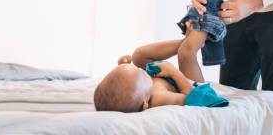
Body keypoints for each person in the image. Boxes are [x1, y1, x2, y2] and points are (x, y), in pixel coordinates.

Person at [93, 22, 228, 112]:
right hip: (191, 85)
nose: (140, 69)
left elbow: (124, 82)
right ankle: (202, 30)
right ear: (145, 103)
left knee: (138, 55)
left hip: (166, 79)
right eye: (139, 73)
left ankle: (184, 41)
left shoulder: (135, 90)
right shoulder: (159, 98)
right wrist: (173, 73)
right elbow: (193, 98)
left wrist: (124, 65)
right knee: (185, 54)